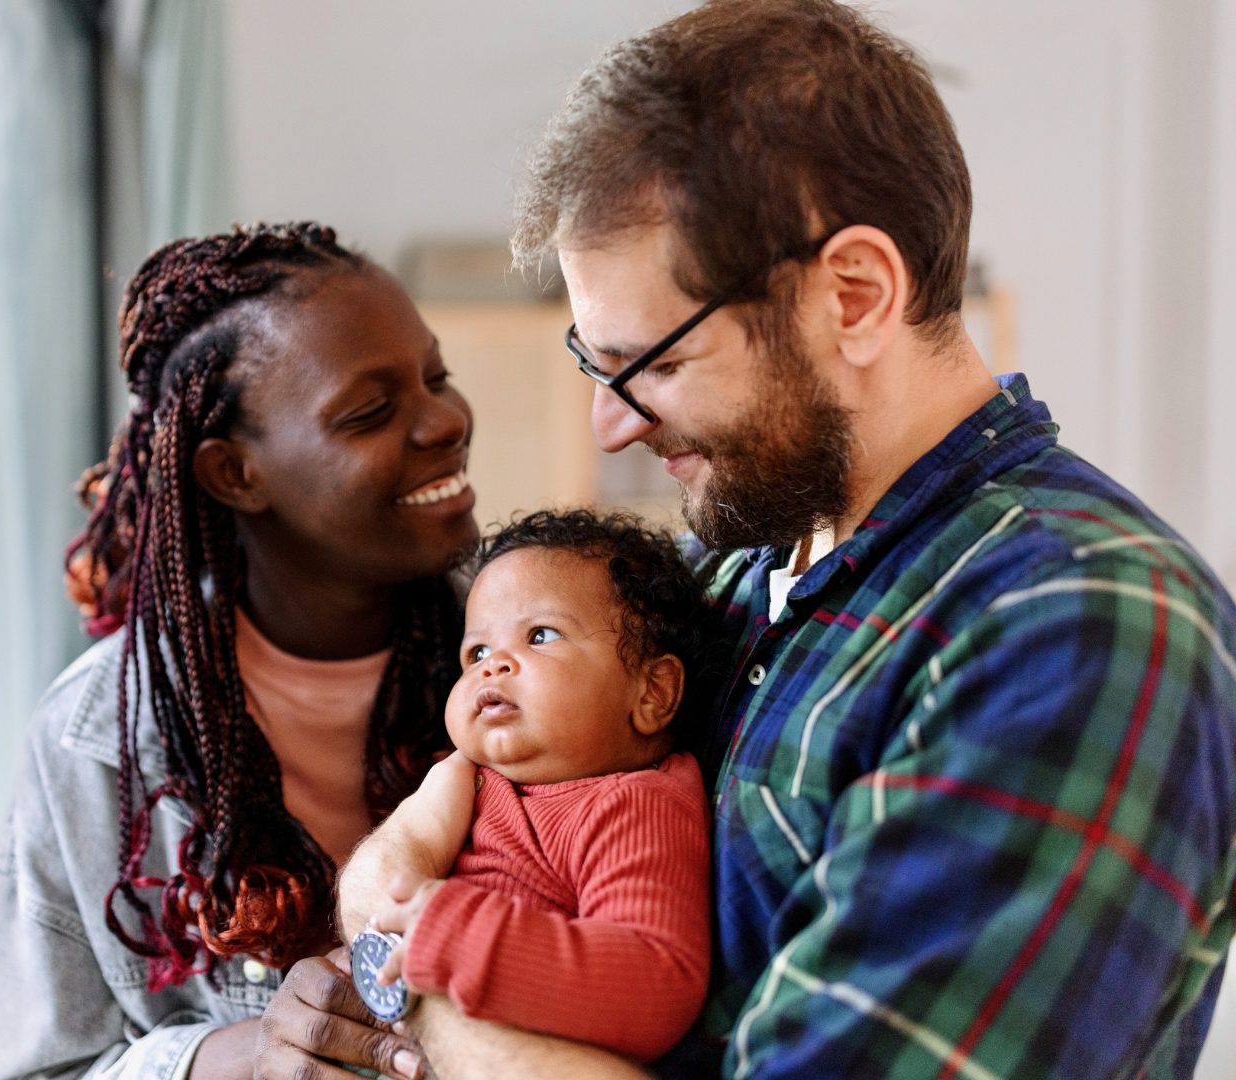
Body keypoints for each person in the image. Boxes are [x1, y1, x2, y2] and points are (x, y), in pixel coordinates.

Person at [337, 2, 1236, 1077]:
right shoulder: (728, 567)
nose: (612, 424)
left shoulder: (1080, 623)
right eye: (598, 365)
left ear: (853, 295)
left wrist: (419, 1002)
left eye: (655, 366)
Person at [0, 221, 479, 1080]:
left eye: (437, 377)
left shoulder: (550, 659)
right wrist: (231, 1057)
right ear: (234, 474)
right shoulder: (97, 745)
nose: (445, 421)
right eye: (371, 412)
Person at [363, 509, 714, 1062]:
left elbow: (654, 982)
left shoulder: (629, 804)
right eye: (475, 652)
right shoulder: (465, 782)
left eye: (540, 635)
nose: (492, 666)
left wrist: (461, 934)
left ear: (652, 693)